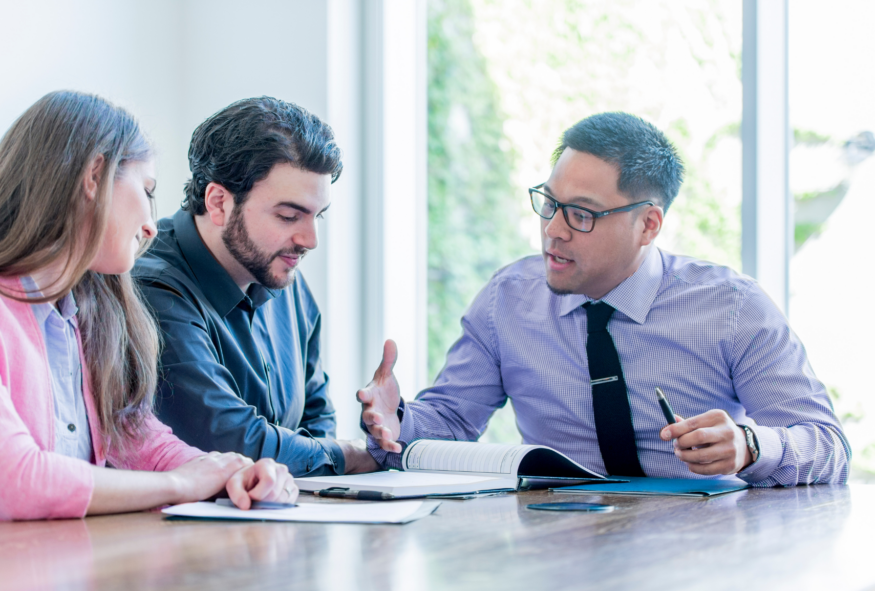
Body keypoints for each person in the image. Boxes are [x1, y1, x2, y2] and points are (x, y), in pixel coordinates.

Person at [0, 91, 297, 536]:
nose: (152, 225)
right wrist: (178, 484)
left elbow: (143, 442)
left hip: (49, 584)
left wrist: (235, 474)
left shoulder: (90, 311)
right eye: (147, 190)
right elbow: (19, 482)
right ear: (95, 175)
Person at [358, 112, 850, 486]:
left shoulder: (732, 308)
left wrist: (749, 445)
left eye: (581, 214)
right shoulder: (507, 301)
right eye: (549, 203)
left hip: (700, 558)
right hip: (556, 559)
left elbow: (829, 447)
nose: (553, 230)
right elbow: (448, 423)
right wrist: (395, 418)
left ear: (648, 225)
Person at [132, 97, 378, 478]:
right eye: (288, 215)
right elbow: (231, 439)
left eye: (318, 217)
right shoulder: (152, 288)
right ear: (219, 203)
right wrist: (351, 456)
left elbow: (316, 416)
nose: (310, 239)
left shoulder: (281, 273)